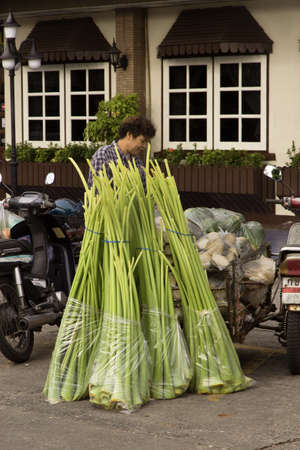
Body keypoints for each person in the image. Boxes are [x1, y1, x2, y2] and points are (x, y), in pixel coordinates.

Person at [88, 115, 156, 190]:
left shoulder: (137, 162)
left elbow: (145, 191)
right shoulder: (104, 155)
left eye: (146, 142)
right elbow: (97, 192)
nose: (145, 146)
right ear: (129, 135)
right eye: (142, 141)